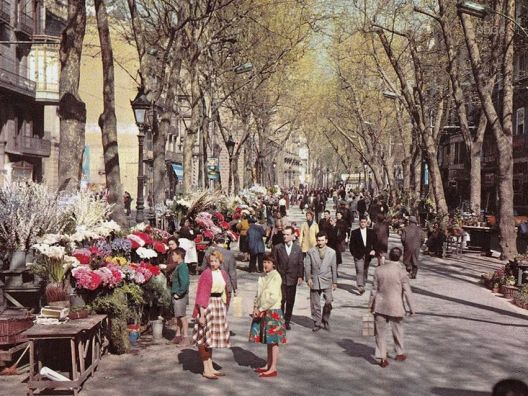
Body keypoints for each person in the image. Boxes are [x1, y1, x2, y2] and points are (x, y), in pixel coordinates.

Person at [369, 247, 415, 368]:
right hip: (396, 305)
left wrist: (370, 305)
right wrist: (411, 308)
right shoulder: (402, 271)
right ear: (400, 257)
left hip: (380, 305)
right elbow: (407, 291)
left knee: (380, 332)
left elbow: (374, 290)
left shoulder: (379, 270)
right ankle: (399, 352)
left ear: (389, 255)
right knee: (398, 329)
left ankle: (381, 357)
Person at [192, 251, 231, 379]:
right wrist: (201, 315)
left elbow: (225, 291)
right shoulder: (206, 274)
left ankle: (211, 366)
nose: (213, 263)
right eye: (211, 261)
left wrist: (225, 306)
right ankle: (205, 368)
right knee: (204, 338)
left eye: (216, 261)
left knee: (211, 339)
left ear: (220, 262)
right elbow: (202, 295)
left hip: (218, 305)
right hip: (207, 306)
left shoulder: (223, 273)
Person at [249, 253, 286, 378]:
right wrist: (255, 307)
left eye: (268, 262)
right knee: (268, 340)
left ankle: (273, 367)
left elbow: (273, 297)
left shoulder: (276, 276)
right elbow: (258, 294)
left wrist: (260, 308)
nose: (265, 264)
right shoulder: (262, 276)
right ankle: (268, 364)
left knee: (274, 341)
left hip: (273, 311)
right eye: (264, 262)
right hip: (262, 310)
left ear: (273, 264)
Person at [272, 226, 304, 330]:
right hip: (281, 278)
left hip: (292, 279)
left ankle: (287, 321)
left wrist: (300, 276)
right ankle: (280, 320)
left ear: (293, 236)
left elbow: (300, 263)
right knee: (281, 300)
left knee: (290, 301)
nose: (285, 236)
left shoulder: (298, 249)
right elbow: (274, 263)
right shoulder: (277, 248)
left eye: (287, 234)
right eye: (284, 234)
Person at [304, 232, 337, 332]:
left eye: (322, 240)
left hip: (327, 279)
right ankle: (317, 322)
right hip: (315, 279)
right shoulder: (311, 252)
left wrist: (334, 282)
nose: (320, 242)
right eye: (318, 240)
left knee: (329, 301)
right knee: (315, 304)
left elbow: (334, 268)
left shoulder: (332, 252)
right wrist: (308, 278)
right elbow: (307, 266)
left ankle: (325, 319)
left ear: (326, 241)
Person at [349, 215, 376, 295]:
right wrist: (354, 253)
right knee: (359, 270)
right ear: (359, 223)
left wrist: (374, 250)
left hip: (368, 255)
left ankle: (363, 283)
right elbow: (351, 245)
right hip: (358, 255)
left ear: (367, 223)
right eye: (361, 222)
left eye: (364, 222)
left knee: (365, 270)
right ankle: (360, 286)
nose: (363, 223)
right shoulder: (355, 232)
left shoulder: (371, 232)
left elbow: (375, 243)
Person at [170, 247, 190, 346]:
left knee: (182, 316)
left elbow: (185, 282)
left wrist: (179, 293)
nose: (172, 256)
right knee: (178, 316)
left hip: (180, 296)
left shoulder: (182, 267)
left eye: (174, 254)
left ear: (179, 255)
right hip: (177, 294)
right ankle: (178, 336)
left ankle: (186, 338)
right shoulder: (179, 266)